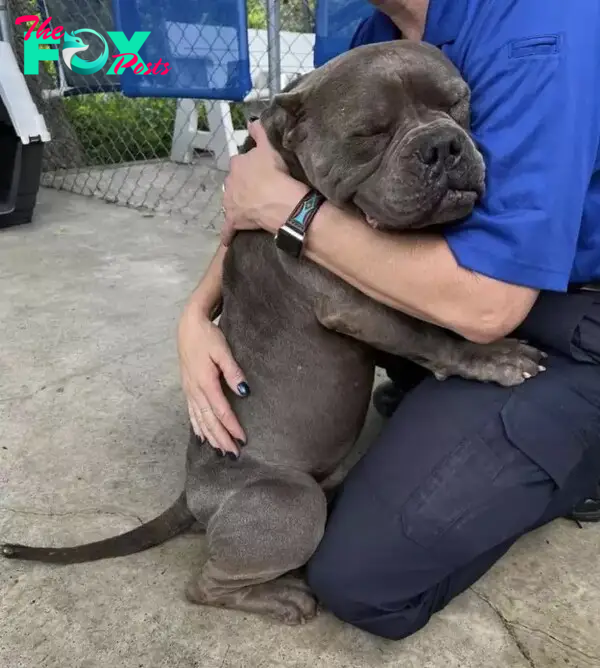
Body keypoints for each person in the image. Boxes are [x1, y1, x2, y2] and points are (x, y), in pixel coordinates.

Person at [177, 0, 600, 640]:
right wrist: (196, 313)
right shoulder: (374, 35)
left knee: (363, 581)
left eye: (454, 108)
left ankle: (581, 463)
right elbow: (261, 190)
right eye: (372, 136)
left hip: (559, 307)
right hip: (446, 291)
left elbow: (488, 310)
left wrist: (294, 214)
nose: (434, 138)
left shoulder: (546, 20)